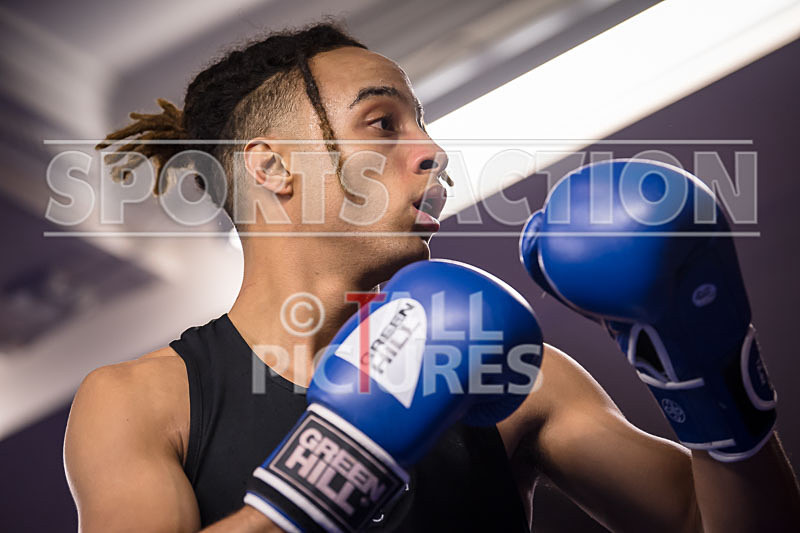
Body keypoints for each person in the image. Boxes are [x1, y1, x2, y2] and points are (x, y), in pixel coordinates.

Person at [63, 23, 800, 532]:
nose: (433, 151)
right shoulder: (143, 399)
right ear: (273, 166)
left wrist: (712, 381)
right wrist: (341, 462)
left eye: (422, 123)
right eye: (384, 123)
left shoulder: (510, 373)